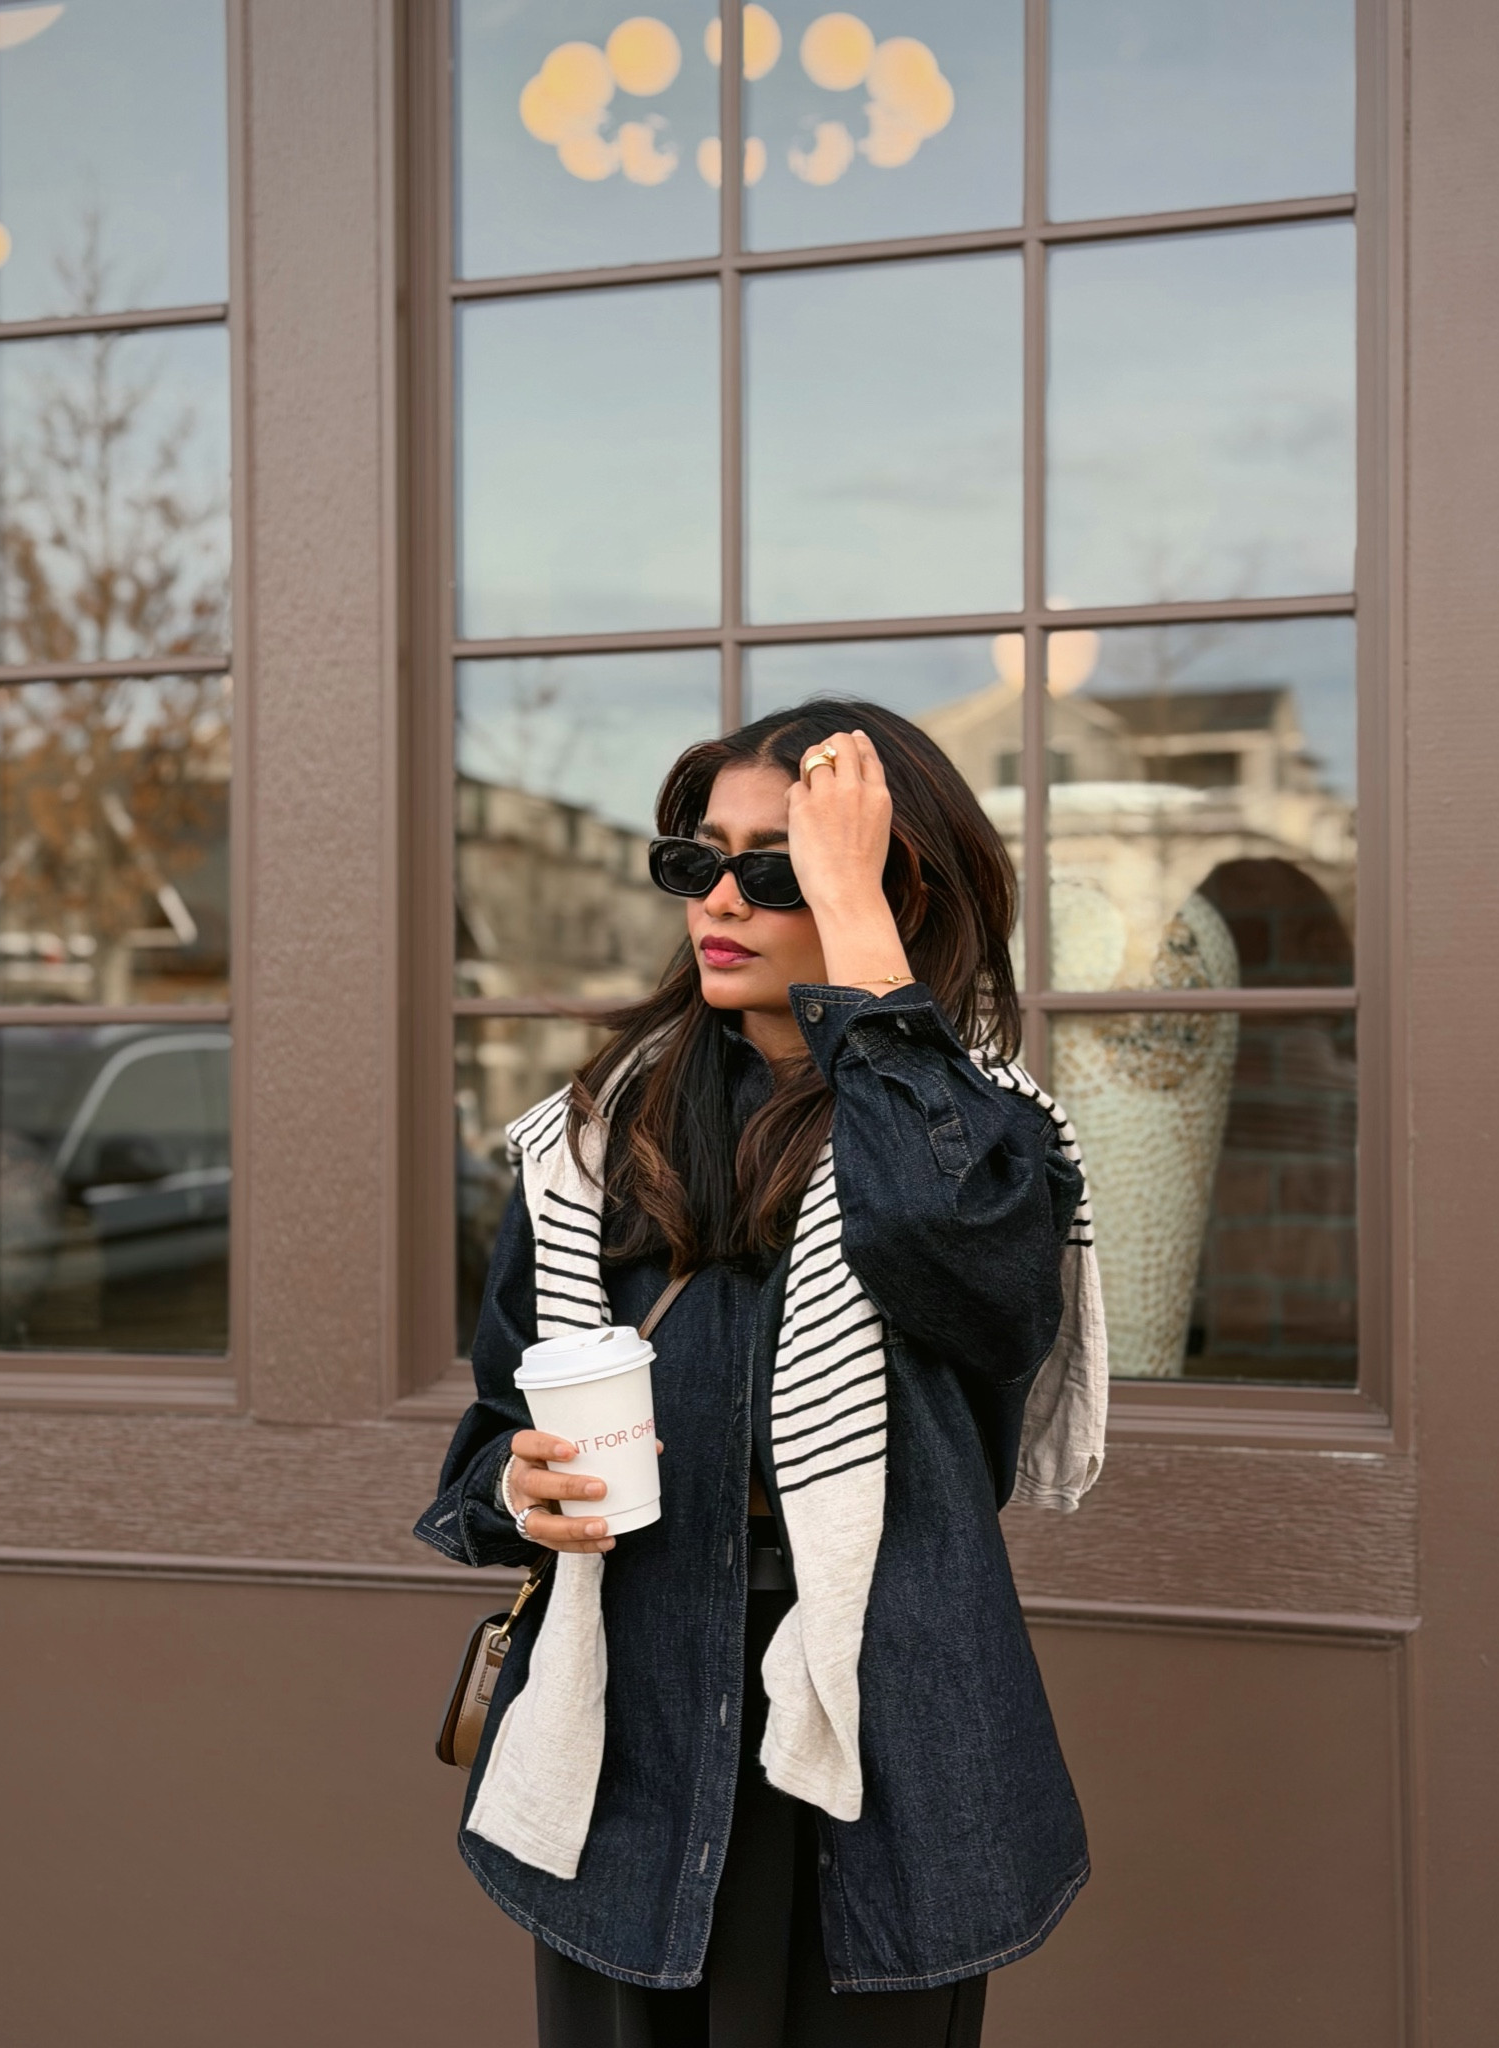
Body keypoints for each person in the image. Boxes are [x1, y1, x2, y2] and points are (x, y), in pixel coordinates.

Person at [416, 700, 1094, 2048]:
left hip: (880, 1735)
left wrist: (858, 948)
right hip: (630, 1724)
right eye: (695, 861)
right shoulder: (590, 1143)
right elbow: (495, 1425)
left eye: (777, 868)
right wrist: (519, 1485)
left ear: (890, 893)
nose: (718, 899)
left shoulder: (986, 1141)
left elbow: (943, 1242)